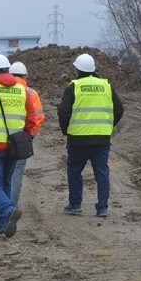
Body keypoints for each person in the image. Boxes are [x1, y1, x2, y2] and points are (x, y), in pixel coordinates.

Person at [0, 54, 39, 237]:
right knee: (6, 183)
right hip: (14, 146)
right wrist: (24, 137)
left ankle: (9, 211)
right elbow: (31, 119)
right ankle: (2, 223)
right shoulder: (22, 91)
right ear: (8, 70)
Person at [57, 52, 124, 218]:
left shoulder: (73, 87)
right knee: (101, 172)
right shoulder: (106, 85)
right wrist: (107, 125)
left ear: (77, 70)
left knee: (74, 169)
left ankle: (75, 204)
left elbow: (63, 112)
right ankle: (102, 207)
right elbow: (119, 109)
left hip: (78, 138)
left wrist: (66, 130)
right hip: (101, 138)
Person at [8, 61, 45, 206]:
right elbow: (38, 117)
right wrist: (30, 135)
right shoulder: (31, 93)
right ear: (25, 76)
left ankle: (3, 206)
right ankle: (12, 206)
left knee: (3, 173)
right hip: (21, 139)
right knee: (17, 173)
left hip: (0, 137)